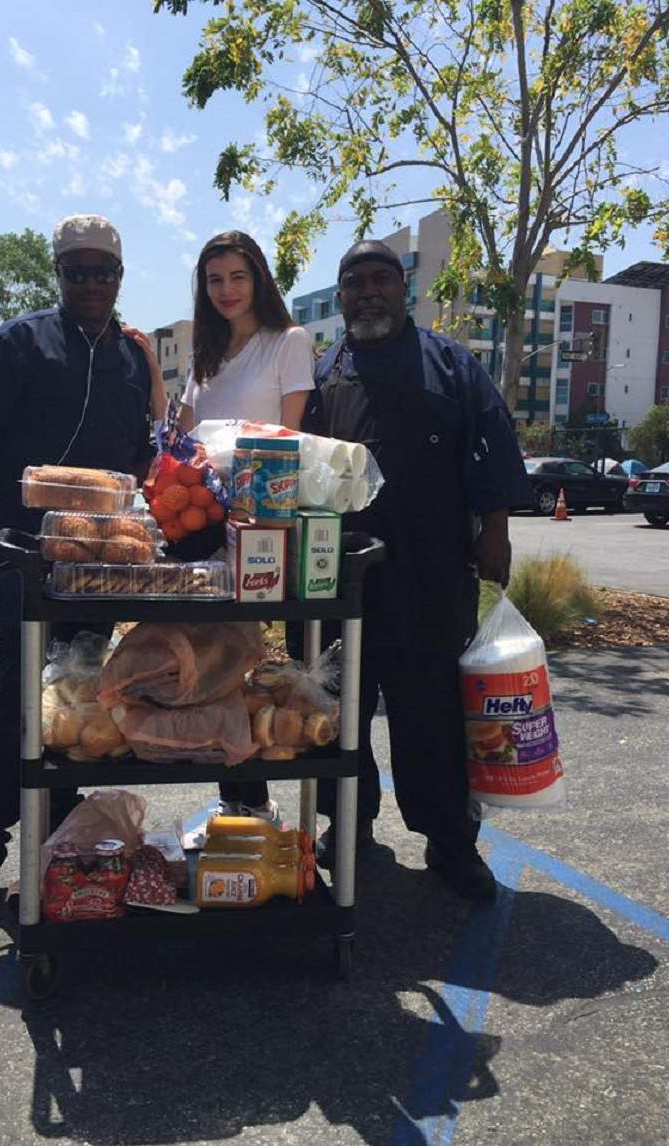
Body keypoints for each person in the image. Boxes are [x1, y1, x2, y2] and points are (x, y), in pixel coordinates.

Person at [0, 213, 164, 928]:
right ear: (59, 275)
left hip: (100, 568)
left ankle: (60, 856)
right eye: (78, 271)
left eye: (104, 271)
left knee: (81, 709)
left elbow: (139, 459)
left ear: (121, 277)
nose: (92, 283)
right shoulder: (19, 342)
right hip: (24, 562)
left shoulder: (134, 360)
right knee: (16, 700)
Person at [303, 240, 532, 899]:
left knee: (431, 713)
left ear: (403, 289)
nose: (368, 292)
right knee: (337, 711)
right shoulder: (322, 373)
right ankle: (348, 828)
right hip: (342, 581)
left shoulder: (451, 365)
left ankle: (450, 843)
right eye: (356, 282)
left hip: (432, 572)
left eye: (381, 280)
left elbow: (491, 444)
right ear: (341, 295)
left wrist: (496, 530)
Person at [180, 230, 316, 822]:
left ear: (258, 278)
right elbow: (180, 441)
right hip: (199, 528)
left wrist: (254, 507)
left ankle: (256, 799)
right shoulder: (206, 357)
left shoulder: (288, 342)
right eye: (214, 280)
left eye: (238, 276)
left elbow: (292, 443)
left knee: (247, 662)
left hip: (258, 526)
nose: (226, 290)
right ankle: (232, 793)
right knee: (207, 664)